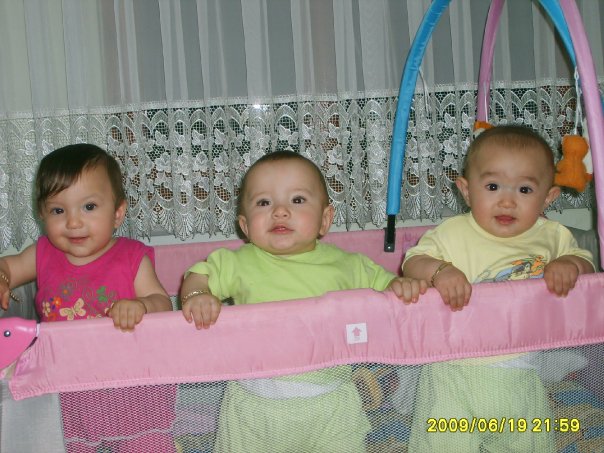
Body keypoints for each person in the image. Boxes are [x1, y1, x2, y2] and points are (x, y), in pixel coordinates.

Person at [180, 150, 426, 452]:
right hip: (255, 406)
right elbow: (198, 276)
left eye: (297, 200)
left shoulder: (348, 265)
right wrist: (197, 295)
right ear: (245, 226)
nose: (280, 211)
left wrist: (402, 286)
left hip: (332, 403)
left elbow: (390, 289)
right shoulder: (236, 263)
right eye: (264, 203)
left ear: (325, 219)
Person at [403, 125, 594, 452]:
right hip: (452, 373)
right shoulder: (452, 233)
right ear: (466, 190)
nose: (507, 201)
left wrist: (570, 265)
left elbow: (586, 264)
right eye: (492, 186)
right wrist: (440, 270)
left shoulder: (552, 235)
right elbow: (412, 261)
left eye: (524, 189)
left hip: (521, 373)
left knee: (527, 443)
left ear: (548, 197)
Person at [0, 143, 172, 331]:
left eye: (89, 207)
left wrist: (142, 305)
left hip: (121, 350)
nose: (73, 223)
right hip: (57, 350)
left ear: (117, 213)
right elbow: (7, 267)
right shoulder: (42, 252)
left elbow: (163, 303)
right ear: (42, 214)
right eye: (58, 210)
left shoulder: (132, 257)